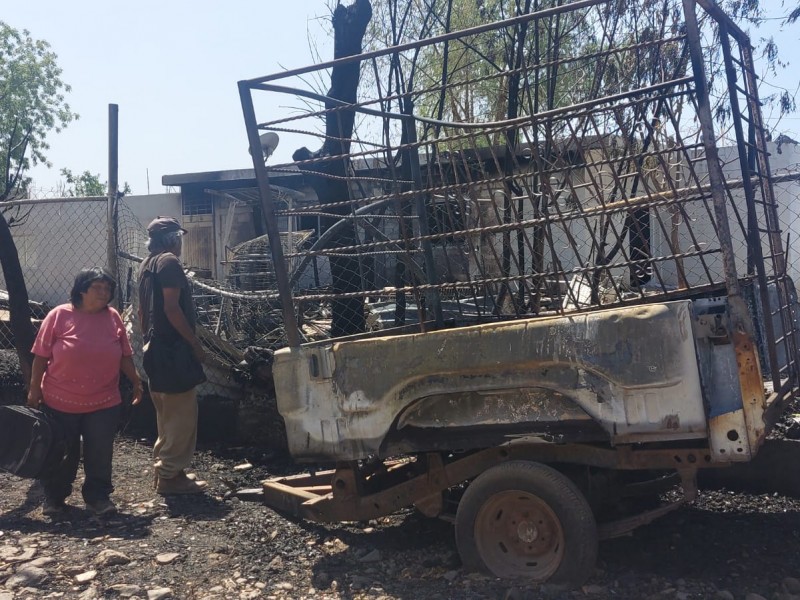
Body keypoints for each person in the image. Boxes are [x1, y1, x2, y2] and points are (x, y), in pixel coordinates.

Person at [27, 267, 142, 517]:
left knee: (100, 452)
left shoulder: (112, 317)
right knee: (63, 452)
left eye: (107, 289)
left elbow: (124, 355)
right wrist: (34, 389)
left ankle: (97, 498)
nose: (104, 293)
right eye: (97, 288)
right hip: (59, 401)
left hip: (104, 400)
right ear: (81, 290)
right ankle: (55, 498)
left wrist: (136, 380)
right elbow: (40, 357)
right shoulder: (58, 316)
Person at [138, 216, 208, 495]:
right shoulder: (169, 262)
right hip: (173, 351)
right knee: (181, 415)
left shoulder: (146, 265)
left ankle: (165, 471)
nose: (180, 243)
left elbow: (144, 312)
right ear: (172, 239)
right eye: (179, 238)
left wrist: (147, 341)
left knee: (166, 415)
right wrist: (194, 343)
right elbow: (171, 308)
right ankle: (169, 477)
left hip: (155, 350)